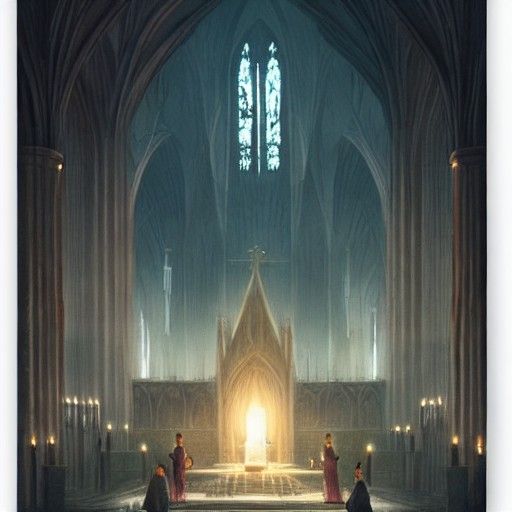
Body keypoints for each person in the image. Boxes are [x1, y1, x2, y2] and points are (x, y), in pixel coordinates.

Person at [323, 433, 344, 504]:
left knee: (332, 481)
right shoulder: (328, 445)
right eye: (328, 438)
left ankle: (332, 497)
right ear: (327, 438)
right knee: (332, 481)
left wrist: (334, 458)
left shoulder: (328, 446)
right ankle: (333, 497)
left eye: (330, 438)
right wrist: (334, 458)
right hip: (330, 466)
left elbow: (328, 456)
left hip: (330, 466)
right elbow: (329, 456)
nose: (330, 439)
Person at [169, 432, 186, 503]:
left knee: (180, 483)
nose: (178, 440)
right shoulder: (176, 449)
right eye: (177, 439)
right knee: (177, 483)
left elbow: (180, 460)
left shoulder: (181, 449)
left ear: (181, 439)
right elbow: (177, 460)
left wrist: (173, 457)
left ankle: (180, 497)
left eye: (179, 439)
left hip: (180, 469)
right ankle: (177, 497)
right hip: (176, 469)